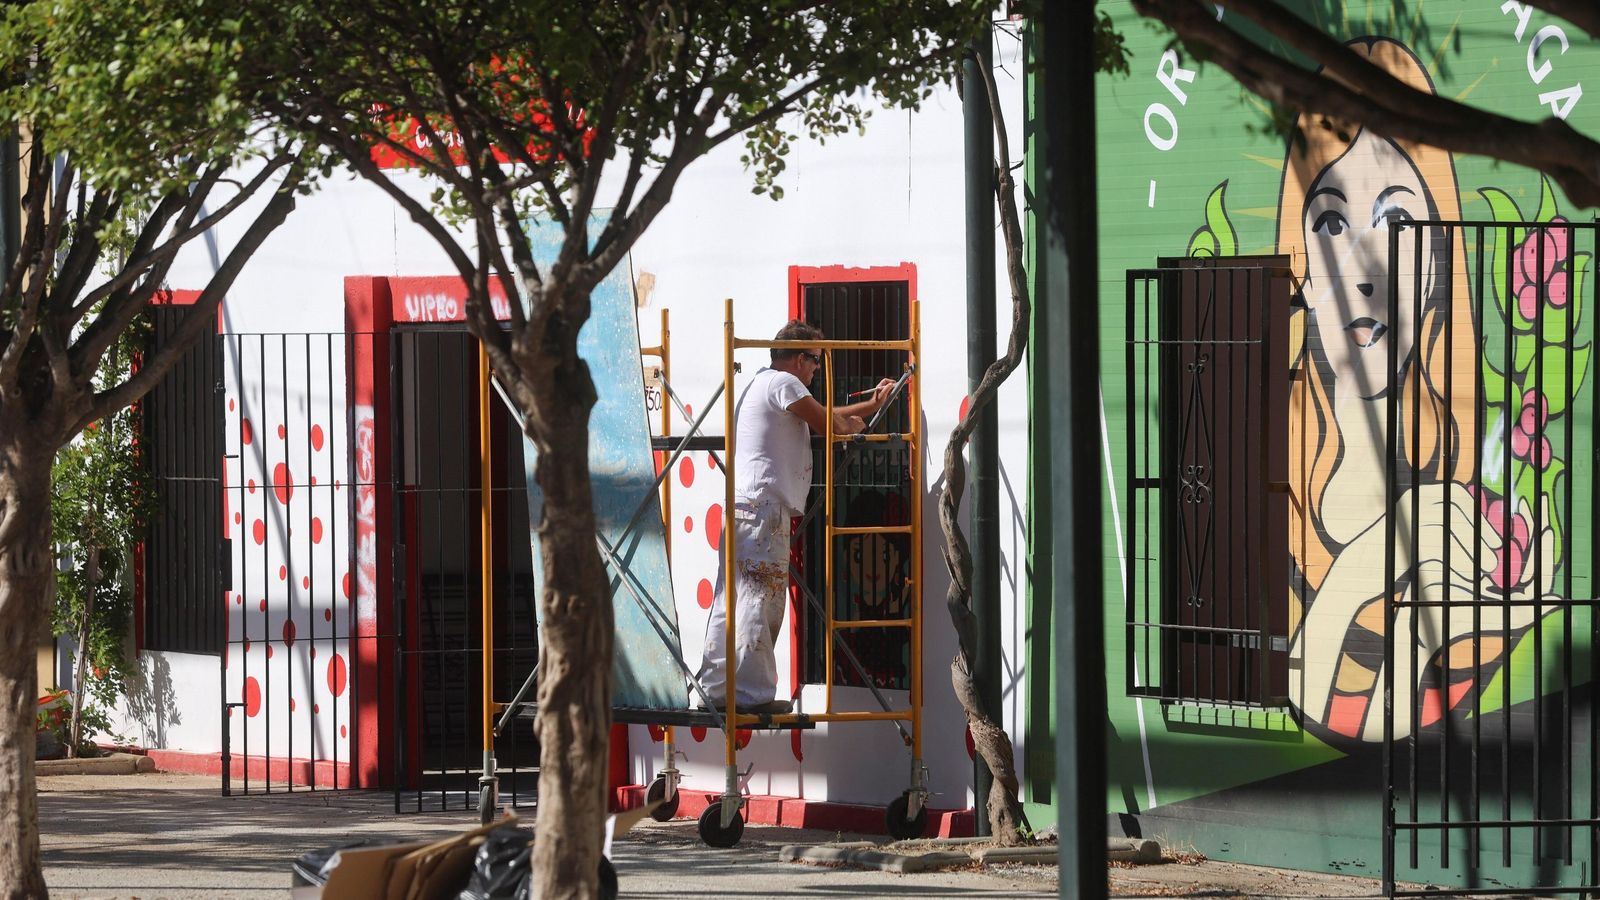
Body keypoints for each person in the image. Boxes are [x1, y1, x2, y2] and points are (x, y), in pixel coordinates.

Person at [1280, 37, 1553, 742]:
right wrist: (1365, 569)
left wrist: (1451, 633)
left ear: (1436, 270)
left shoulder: (1460, 494)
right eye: (1333, 222)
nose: (1365, 269)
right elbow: (1298, 695)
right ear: (1303, 268)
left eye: (1398, 221)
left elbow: (1388, 734)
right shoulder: (1265, 476)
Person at [695, 320, 894, 713]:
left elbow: (820, 413)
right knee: (760, 601)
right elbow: (827, 422)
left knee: (729, 600)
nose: (818, 368)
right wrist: (851, 425)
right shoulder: (786, 385)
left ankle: (715, 691)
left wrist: (866, 407)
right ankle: (752, 697)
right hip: (764, 513)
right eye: (816, 361)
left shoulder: (763, 382)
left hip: (744, 508)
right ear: (799, 359)